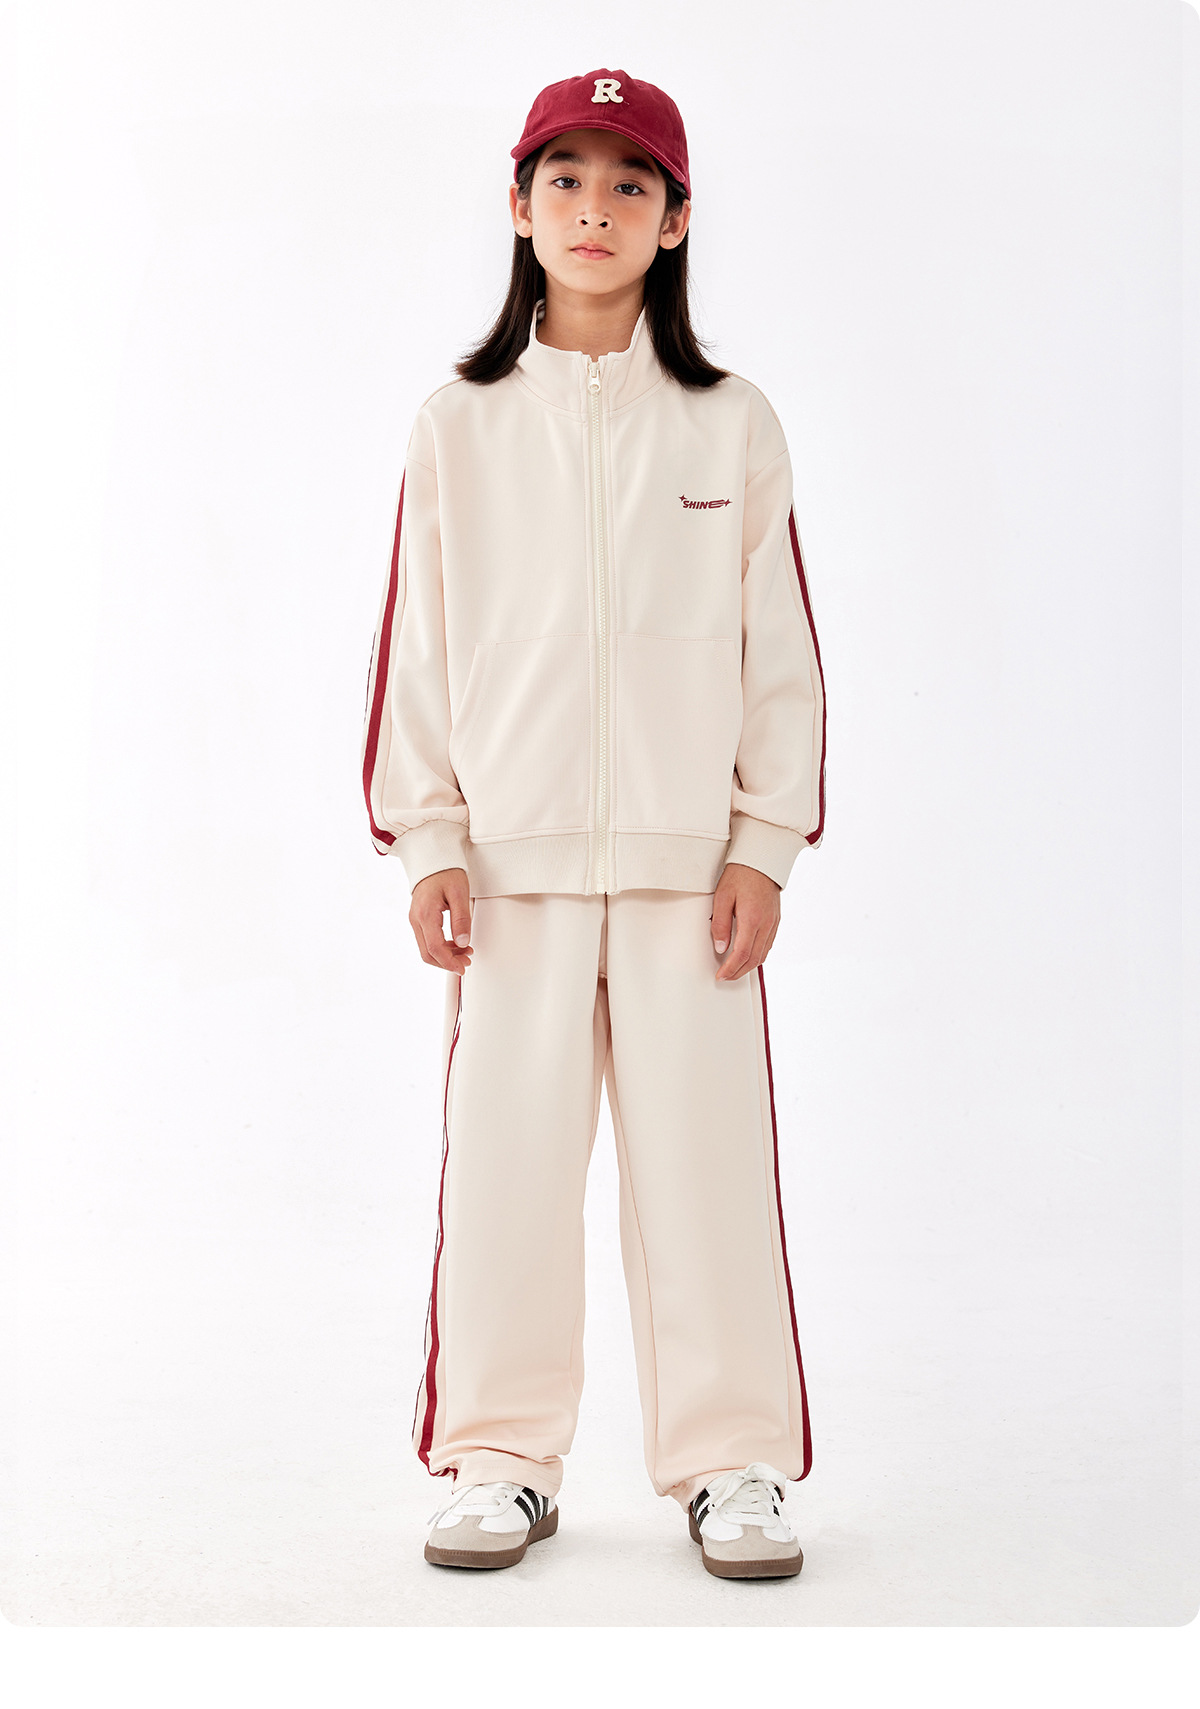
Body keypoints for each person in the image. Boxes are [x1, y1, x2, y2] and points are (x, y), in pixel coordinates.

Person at [361, 67, 826, 1581]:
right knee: (505, 1173)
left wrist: (762, 843)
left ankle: (734, 1464)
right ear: (519, 205)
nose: (595, 209)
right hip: (513, 878)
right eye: (565, 179)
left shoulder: (729, 422)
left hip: (693, 880)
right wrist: (431, 840)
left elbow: (780, 651)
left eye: (631, 185)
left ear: (675, 221)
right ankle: (500, 1460)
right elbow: (418, 650)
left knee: (709, 1176)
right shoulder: (460, 423)